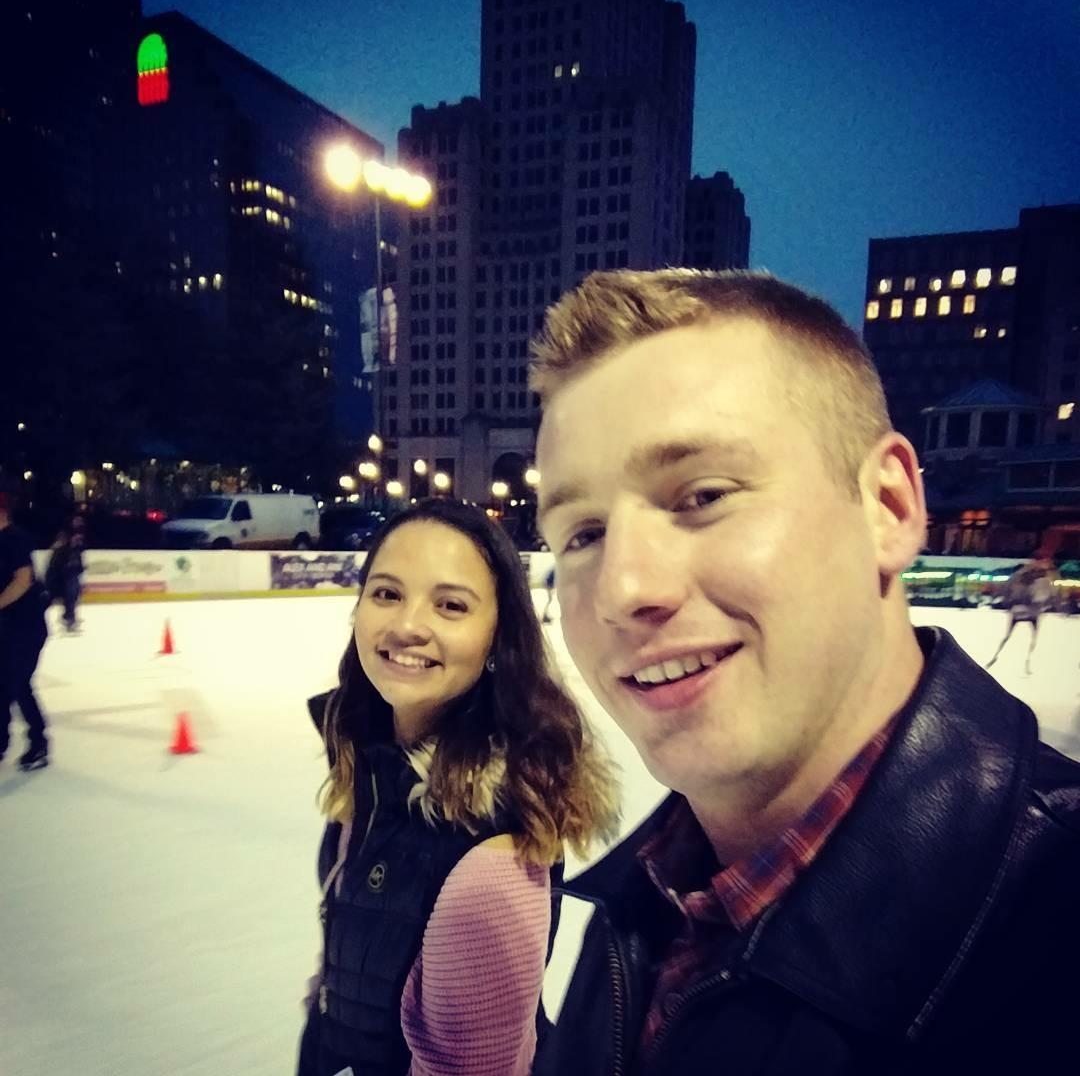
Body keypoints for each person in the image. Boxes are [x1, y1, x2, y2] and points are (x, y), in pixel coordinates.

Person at [528, 269, 1080, 1075]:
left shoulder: (1053, 927)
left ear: (886, 508)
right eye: (580, 534)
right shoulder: (645, 908)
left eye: (702, 495)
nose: (622, 589)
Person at [297, 498, 619, 1076]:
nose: (406, 625)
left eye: (450, 605)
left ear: (498, 638)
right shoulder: (370, 782)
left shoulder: (489, 869)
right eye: (387, 593)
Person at [0, 490, 50, 771]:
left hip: (27, 627)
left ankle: (39, 743)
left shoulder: (14, 539)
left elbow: (23, 580)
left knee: (17, 684)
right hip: (7, 626)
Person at [984, 553, 1058, 674]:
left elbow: (1049, 594)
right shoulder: (1027, 575)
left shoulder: (1042, 576)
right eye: (1044, 561)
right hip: (1024, 610)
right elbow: (1008, 588)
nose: (1045, 564)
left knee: (1030, 638)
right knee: (1011, 637)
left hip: (1027, 610)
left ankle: (1027, 663)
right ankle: (997, 658)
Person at [45, 518, 86, 633]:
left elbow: (78, 557)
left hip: (72, 572)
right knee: (67, 594)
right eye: (77, 521)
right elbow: (56, 558)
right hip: (61, 573)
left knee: (72, 595)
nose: (80, 523)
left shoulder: (78, 540)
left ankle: (69, 617)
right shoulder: (64, 537)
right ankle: (68, 617)